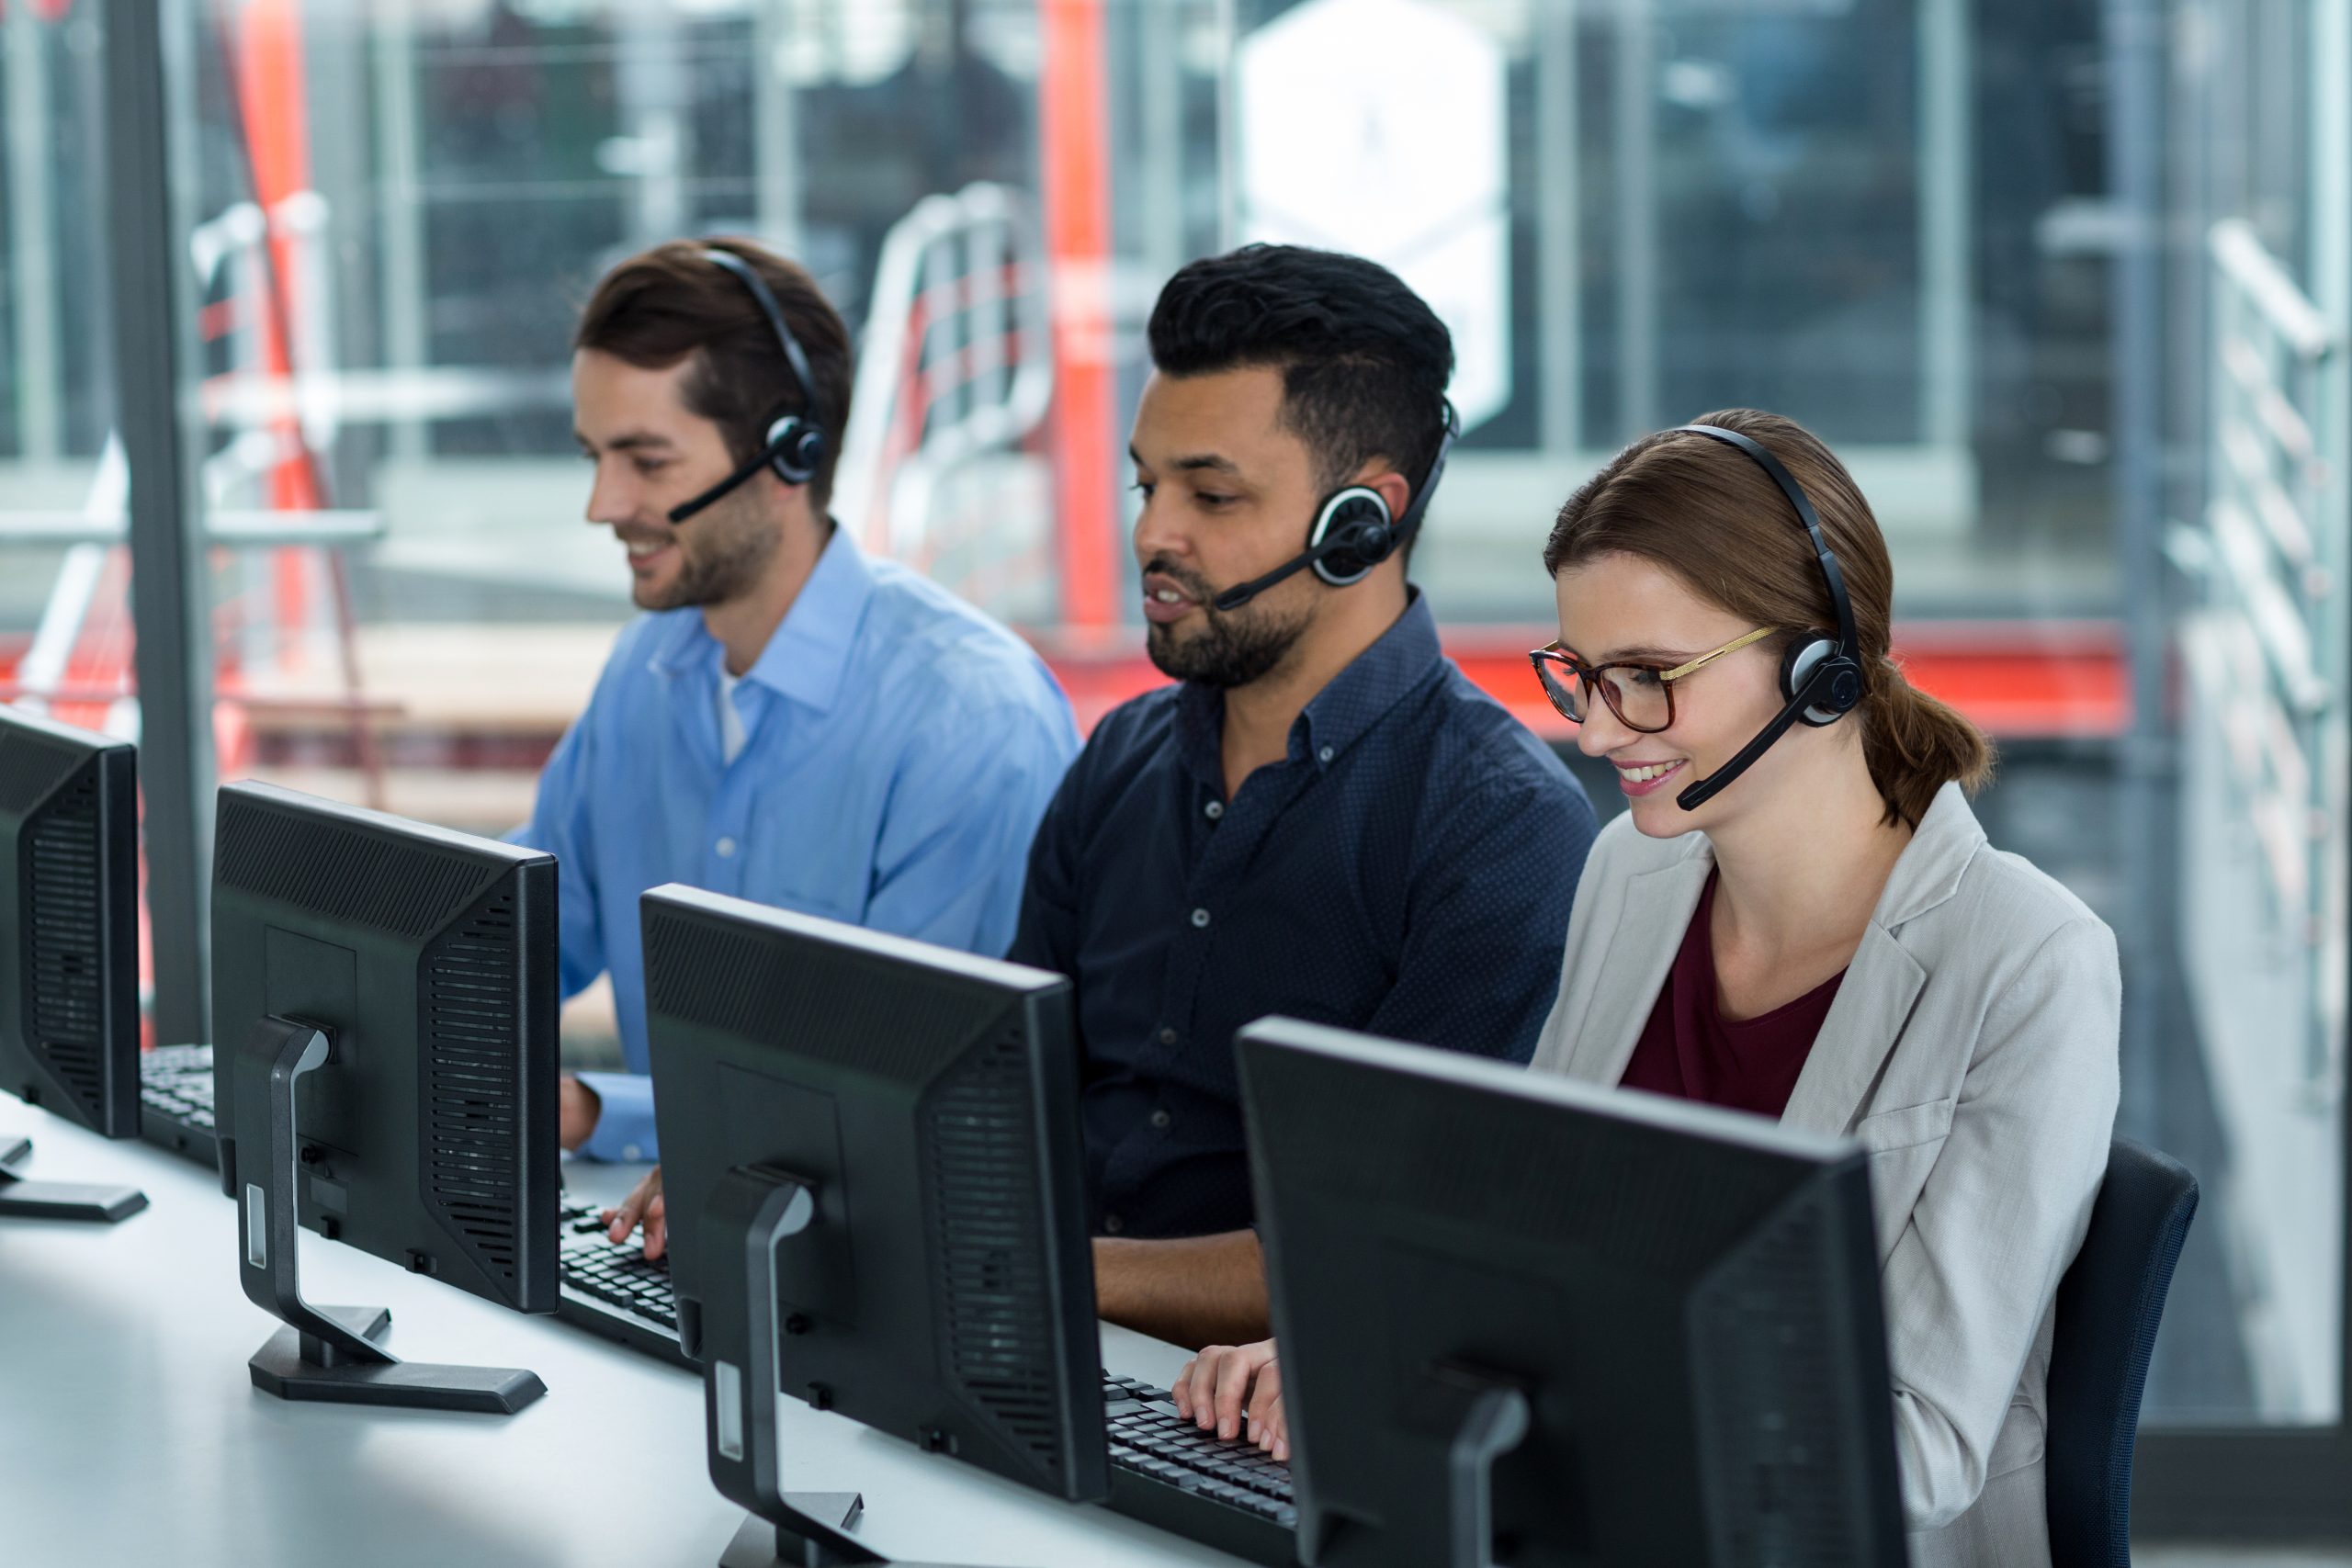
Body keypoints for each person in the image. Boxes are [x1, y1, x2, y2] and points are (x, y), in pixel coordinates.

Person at [1174, 410, 2117, 1568]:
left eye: (1651, 679)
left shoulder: (2026, 962)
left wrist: (1507, 1391)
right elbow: (1534, 1257)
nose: (1599, 729)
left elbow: (1915, 1445)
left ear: (1822, 664)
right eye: (1581, 675)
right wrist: (1354, 1354)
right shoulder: (1633, 869)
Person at [1011, 244, 1598, 1350]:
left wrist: (1015, 1262)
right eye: (1147, 485)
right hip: (1033, 1345)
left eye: (1210, 494)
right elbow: (994, 1104)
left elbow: (1379, 1242)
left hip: (1277, 1425)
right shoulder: (1120, 760)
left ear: (1360, 523)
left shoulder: (1499, 830)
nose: (1151, 534)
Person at [527, 237, 1077, 1191]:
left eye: (646, 462)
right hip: (679, 1225)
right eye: (594, 456)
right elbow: (533, 941)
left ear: (791, 452)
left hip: (881, 1259)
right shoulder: (644, 673)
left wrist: (598, 1111)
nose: (602, 504)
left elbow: (903, 1097)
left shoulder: (970, 723)